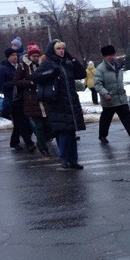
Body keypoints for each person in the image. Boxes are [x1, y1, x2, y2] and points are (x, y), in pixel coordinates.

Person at [33, 40, 86, 169]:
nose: (61, 51)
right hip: (57, 103)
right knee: (64, 132)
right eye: (58, 49)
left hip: (71, 102)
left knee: (71, 132)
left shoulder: (67, 63)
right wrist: (52, 73)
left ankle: (73, 160)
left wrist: (72, 58)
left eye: (63, 48)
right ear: (53, 50)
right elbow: (36, 76)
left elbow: (81, 74)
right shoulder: (48, 63)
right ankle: (64, 158)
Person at [94, 45, 130, 145]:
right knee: (106, 119)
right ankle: (102, 136)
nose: (112, 57)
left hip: (121, 98)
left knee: (127, 117)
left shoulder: (117, 66)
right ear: (104, 56)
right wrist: (105, 93)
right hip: (109, 99)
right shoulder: (100, 69)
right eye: (109, 55)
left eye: (113, 55)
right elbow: (97, 84)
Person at [15, 42, 53, 157]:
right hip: (31, 100)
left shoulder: (42, 65)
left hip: (43, 98)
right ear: (29, 56)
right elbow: (16, 81)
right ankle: (42, 147)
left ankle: (43, 142)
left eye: (37, 56)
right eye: (33, 56)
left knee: (48, 125)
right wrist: (31, 83)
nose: (35, 58)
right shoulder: (23, 66)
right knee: (39, 127)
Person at [0, 48, 35, 152]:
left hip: (21, 98)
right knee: (20, 122)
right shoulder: (3, 69)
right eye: (12, 55)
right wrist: (14, 83)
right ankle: (29, 143)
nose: (15, 57)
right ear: (8, 57)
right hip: (11, 100)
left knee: (23, 121)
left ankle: (14, 142)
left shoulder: (19, 67)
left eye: (16, 55)